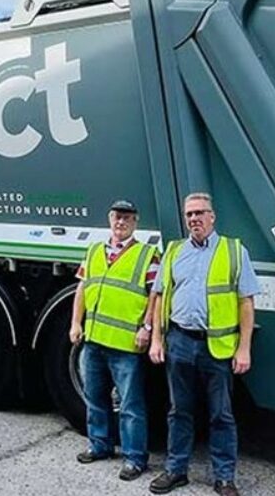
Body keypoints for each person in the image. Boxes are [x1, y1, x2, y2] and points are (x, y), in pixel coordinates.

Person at [148, 193, 259, 496]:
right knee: (178, 411)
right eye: (189, 214)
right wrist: (157, 338)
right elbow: (158, 297)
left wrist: (244, 348)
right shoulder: (173, 251)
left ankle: (224, 478)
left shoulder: (234, 251)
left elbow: (246, 303)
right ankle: (176, 470)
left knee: (220, 414)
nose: (194, 219)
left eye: (200, 213)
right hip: (179, 342)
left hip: (218, 347)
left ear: (213, 217)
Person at [70, 199, 160, 481]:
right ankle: (100, 446)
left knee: (131, 405)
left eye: (127, 218)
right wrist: (75, 323)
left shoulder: (148, 255)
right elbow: (82, 288)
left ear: (135, 223)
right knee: (95, 398)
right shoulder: (95, 250)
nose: (121, 222)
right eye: (117, 217)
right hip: (94, 340)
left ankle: (135, 459)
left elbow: (155, 296)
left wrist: (147, 327)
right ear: (109, 219)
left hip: (125, 346)